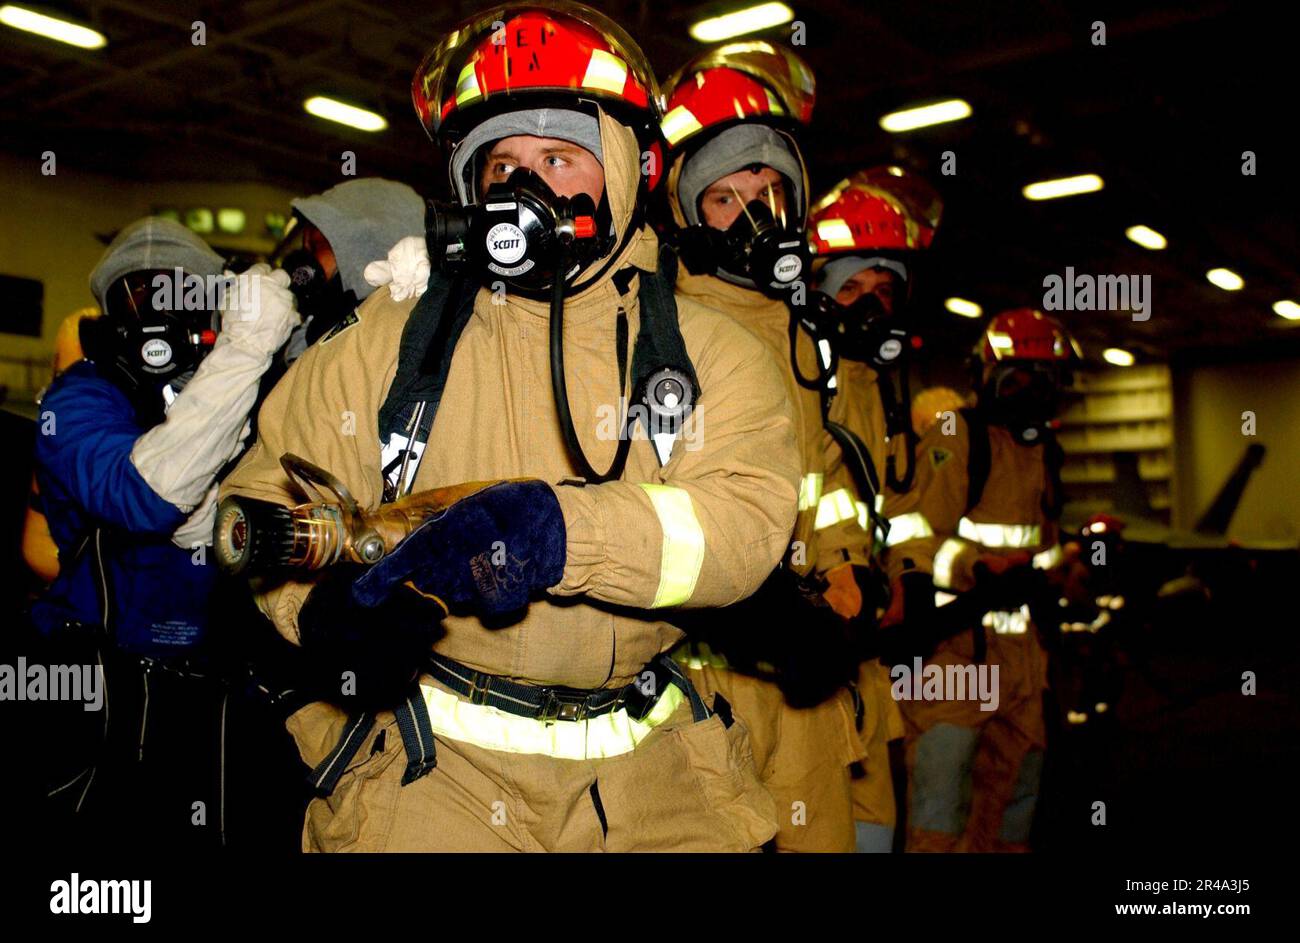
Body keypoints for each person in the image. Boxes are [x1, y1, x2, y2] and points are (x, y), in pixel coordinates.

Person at [218, 1, 799, 852]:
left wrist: (567, 533)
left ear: (626, 170)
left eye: (559, 157)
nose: (526, 189)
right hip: (438, 775)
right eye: (503, 165)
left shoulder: (711, 351)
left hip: (653, 778)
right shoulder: (398, 329)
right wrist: (316, 613)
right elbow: (259, 498)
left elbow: (747, 522)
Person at [23, 217, 298, 848]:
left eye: (174, 293)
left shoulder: (248, 389)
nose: (153, 316)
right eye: (133, 297)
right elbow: (148, 495)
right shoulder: (78, 401)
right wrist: (243, 352)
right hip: (98, 697)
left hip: (221, 695)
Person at [657, 41, 870, 852]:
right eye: (725, 198)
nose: (754, 214)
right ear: (689, 214)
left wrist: (849, 561)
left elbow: (828, 475)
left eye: (769, 190)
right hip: (700, 676)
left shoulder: (807, 336)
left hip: (810, 676)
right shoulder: (657, 329)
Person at [885, 307, 1085, 852]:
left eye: (1044, 378)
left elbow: (1034, 545)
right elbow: (912, 535)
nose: (1031, 390)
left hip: (1022, 655)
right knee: (941, 809)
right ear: (986, 376)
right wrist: (973, 565)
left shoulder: (1041, 451)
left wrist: (1061, 569)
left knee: (1013, 803)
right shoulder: (958, 436)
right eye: (1017, 376)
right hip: (955, 655)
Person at [805, 167, 943, 851]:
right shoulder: (803, 376)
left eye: (883, 290)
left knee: (874, 825)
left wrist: (913, 570)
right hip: (811, 633)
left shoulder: (881, 388)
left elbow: (902, 499)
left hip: (867, 650)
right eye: (850, 288)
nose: (869, 305)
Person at [276, 177, 425, 364]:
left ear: (361, 248)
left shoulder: (386, 337)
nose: (304, 266)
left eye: (315, 247)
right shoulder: (307, 334)